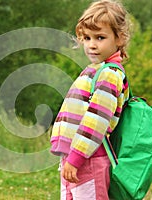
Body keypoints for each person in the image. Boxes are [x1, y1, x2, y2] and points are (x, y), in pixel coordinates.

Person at [50, 0, 132, 199]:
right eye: (87, 38)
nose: (91, 45)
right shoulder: (96, 70)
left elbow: (96, 121)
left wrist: (76, 158)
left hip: (88, 158)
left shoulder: (109, 74)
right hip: (76, 156)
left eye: (100, 37)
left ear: (119, 38)